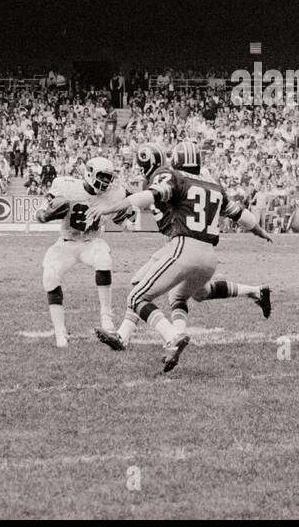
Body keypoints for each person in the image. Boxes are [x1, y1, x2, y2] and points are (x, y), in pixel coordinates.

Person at [88, 142, 272, 373]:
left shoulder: (172, 176)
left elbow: (150, 195)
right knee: (184, 295)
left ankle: (172, 336)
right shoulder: (214, 185)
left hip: (183, 247)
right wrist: (261, 231)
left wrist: (110, 208)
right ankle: (254, 292)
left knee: (136, 296)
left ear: (175, 161)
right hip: (209, 258)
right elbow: (240, 215)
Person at [35, 157, 135, 347]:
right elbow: (40, 212)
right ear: (89, 173)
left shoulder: (116, 193)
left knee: (103, 259)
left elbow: (121, 215)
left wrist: (127, 221)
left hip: (91, 241)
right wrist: (45, 215)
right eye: (102, 177)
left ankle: (106, 317)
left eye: (108, 178)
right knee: (49, 276)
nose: (105, 182)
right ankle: (60, 333)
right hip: (67, 242)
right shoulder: (64, 185)